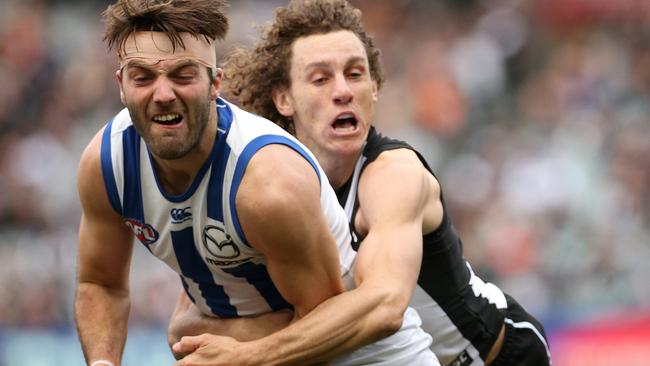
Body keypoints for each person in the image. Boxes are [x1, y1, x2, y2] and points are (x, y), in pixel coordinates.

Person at [170, 0, 552, 365]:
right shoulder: (264, 186)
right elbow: (184, 328)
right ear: (283, 98)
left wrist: (251, 352)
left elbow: (384, 307)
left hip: (494, 355)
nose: (343, 91)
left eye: (355, 74)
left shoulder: (393, 174)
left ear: (375, 88)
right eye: (320, 78)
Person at [74, 0, 437, 366]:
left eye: (184, 75)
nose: (163, 94)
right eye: (143, 77)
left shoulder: (267, 184)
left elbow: (322, 324)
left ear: (214, 83)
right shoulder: (106, 165)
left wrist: (220, 341)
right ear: (121, 85)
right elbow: (99, 284)